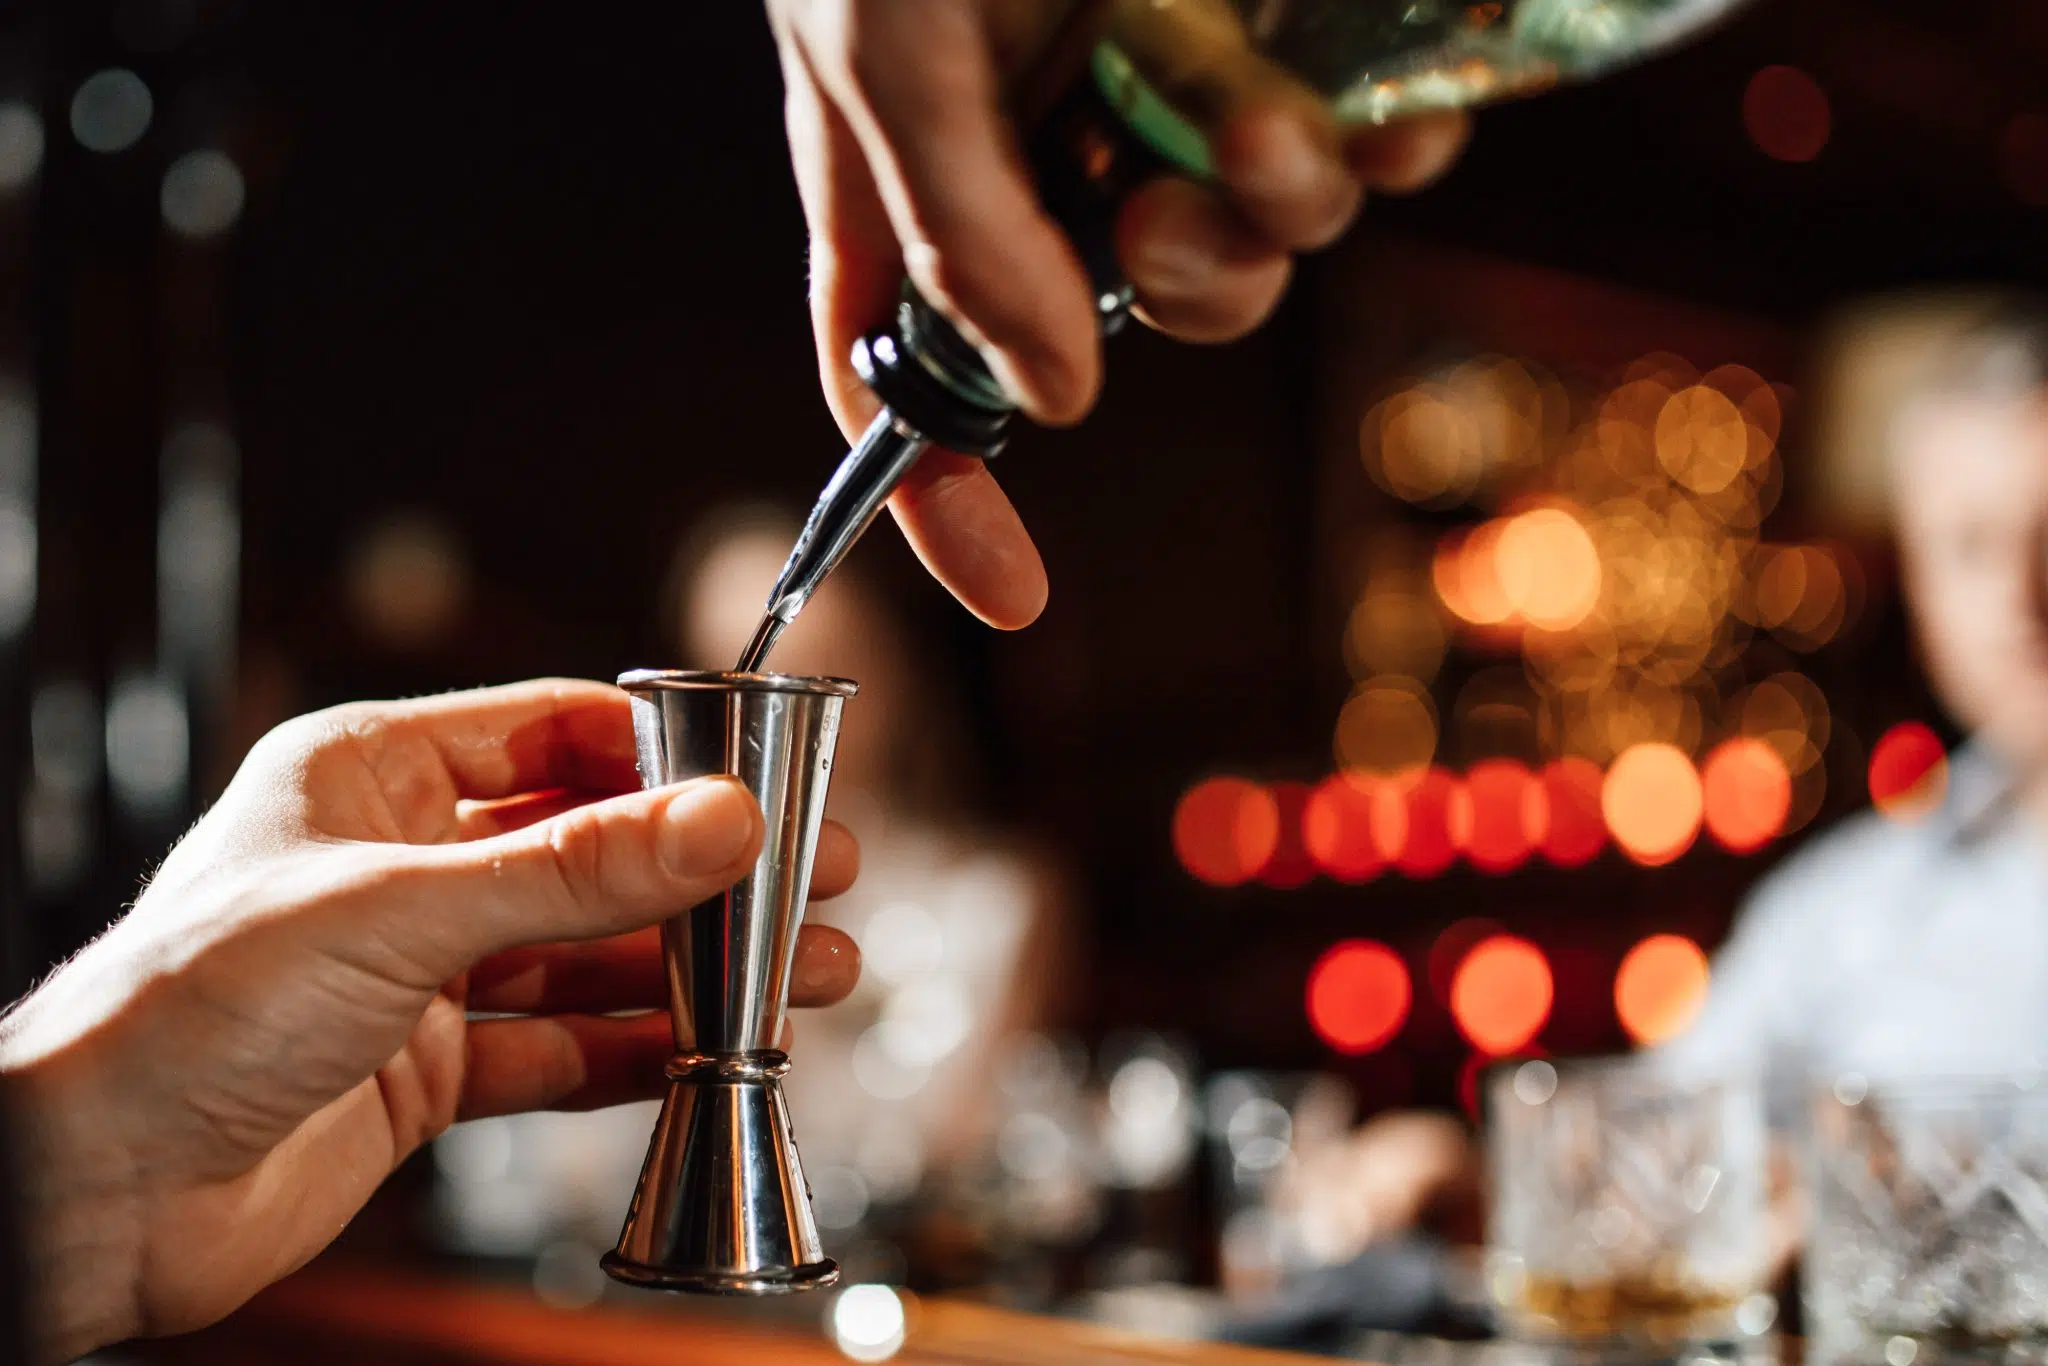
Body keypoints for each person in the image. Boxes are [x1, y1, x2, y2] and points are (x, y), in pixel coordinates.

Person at [0, 2, 1473, 1356]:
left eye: (830, 663)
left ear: (894, 681)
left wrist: (76, 1176)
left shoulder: (983, 900)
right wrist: (86, 1162)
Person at [1293, 296, 2048, 1270]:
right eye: (1968, 547)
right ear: (1914, 578)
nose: (2020, 598)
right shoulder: (1850, 903)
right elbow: (1658, 1166)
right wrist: (1475, 1194)